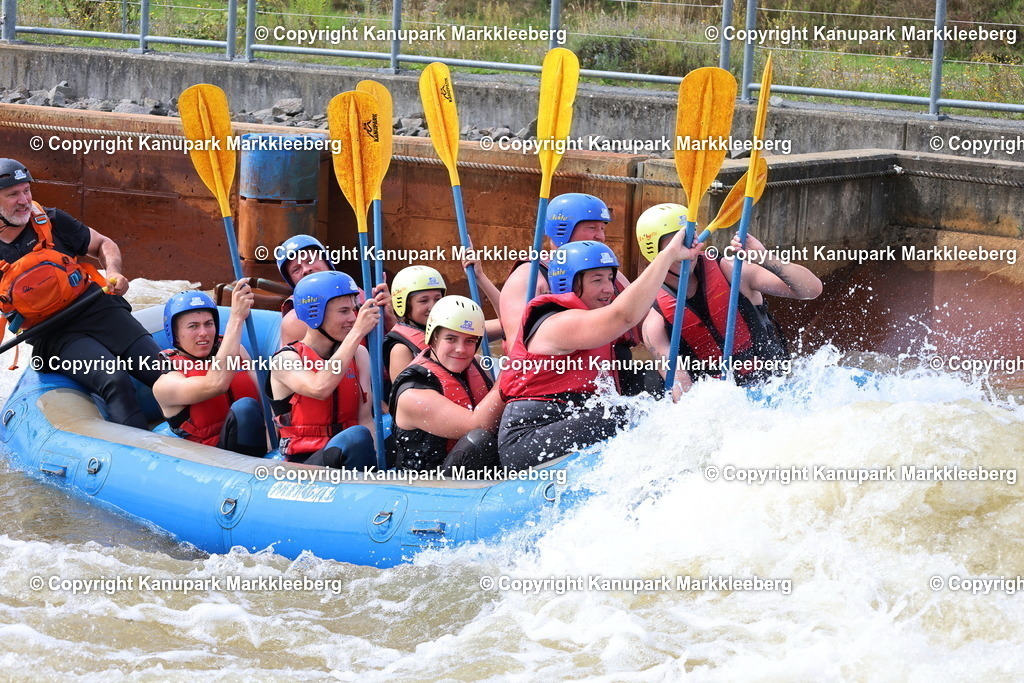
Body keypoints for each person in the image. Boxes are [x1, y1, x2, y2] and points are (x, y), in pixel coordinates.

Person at [498, 236, 702, 470]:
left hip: (572, 420)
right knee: (626, 413)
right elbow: (624, 316)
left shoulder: (592, 316)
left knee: (655, 383)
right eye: (597, 280)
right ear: (568, 282)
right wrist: (668, 256)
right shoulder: (555, 323)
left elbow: (643, 320)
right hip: (527, 440)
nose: (608, 289)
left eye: (610, 278)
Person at [0, 158, 162, 428]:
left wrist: (114, 272)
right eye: (13, 194)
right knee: (114, 378)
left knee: (160, 369)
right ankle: (141, 448)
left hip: (97, 307)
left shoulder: (51, 220)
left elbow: (103, 244)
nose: (24, 200)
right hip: (52, 334)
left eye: (26, 190)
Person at [637, 203, 822, 390]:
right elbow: (681, 390)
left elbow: (811, 289)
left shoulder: (732, 270)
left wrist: (765, 257)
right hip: (722, 401)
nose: (688, 248)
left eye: (690, 238)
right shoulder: (654, 323)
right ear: (654, 251)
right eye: (677, 243)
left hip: (772, 387)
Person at [268, 270, 383, 469]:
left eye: (354, 310)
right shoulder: (286, 359)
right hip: (304, 463)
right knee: (355, 437)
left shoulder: (359, 354)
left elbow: (365, 420)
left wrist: (380, 468)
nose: (353, 318)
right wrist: (357, 332)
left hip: (351, 455)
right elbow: (319, 388)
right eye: (344, 311)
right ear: (314, 313)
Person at [389, 295, 504, 474]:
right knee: (478, 439)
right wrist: (510, 372)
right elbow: (478, 425)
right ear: (433, 338)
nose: (460, 349)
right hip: (426, 484)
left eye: (469, 341)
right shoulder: (413, 393)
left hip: (469, 470)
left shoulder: (478, 365)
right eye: (451, 339)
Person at [152, 283, 265, 455]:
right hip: (213, 458)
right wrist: (236, 318)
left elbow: (266, 403)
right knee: (245, 408)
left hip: (257, 444)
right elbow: (216, 384)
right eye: (193, 326)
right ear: (175, 334)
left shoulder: (238, 352)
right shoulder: (166, 385)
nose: (204, 332)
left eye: (208, 324)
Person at [275, 233, 395, 343]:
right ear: (291, 280)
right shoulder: (295, 319)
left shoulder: (356, 292)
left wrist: (389, 319)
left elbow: (394, 345)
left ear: (326, 261)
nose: (306, 269)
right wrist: (358, 331)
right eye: (296, 269)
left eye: (310, 260)